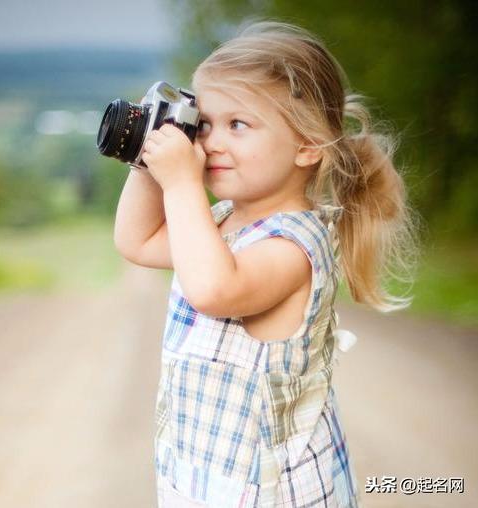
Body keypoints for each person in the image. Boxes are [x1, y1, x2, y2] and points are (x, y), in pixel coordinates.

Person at [113, 20, 419, 508]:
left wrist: (182, 184)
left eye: (238, 125)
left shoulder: (296, 245)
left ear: (307, 147)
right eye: (205, 123)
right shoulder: (217, 222)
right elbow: (137, 241)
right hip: (202, 478)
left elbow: (213, 289)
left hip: (274, 493)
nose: (211, 142)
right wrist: (151, 162)